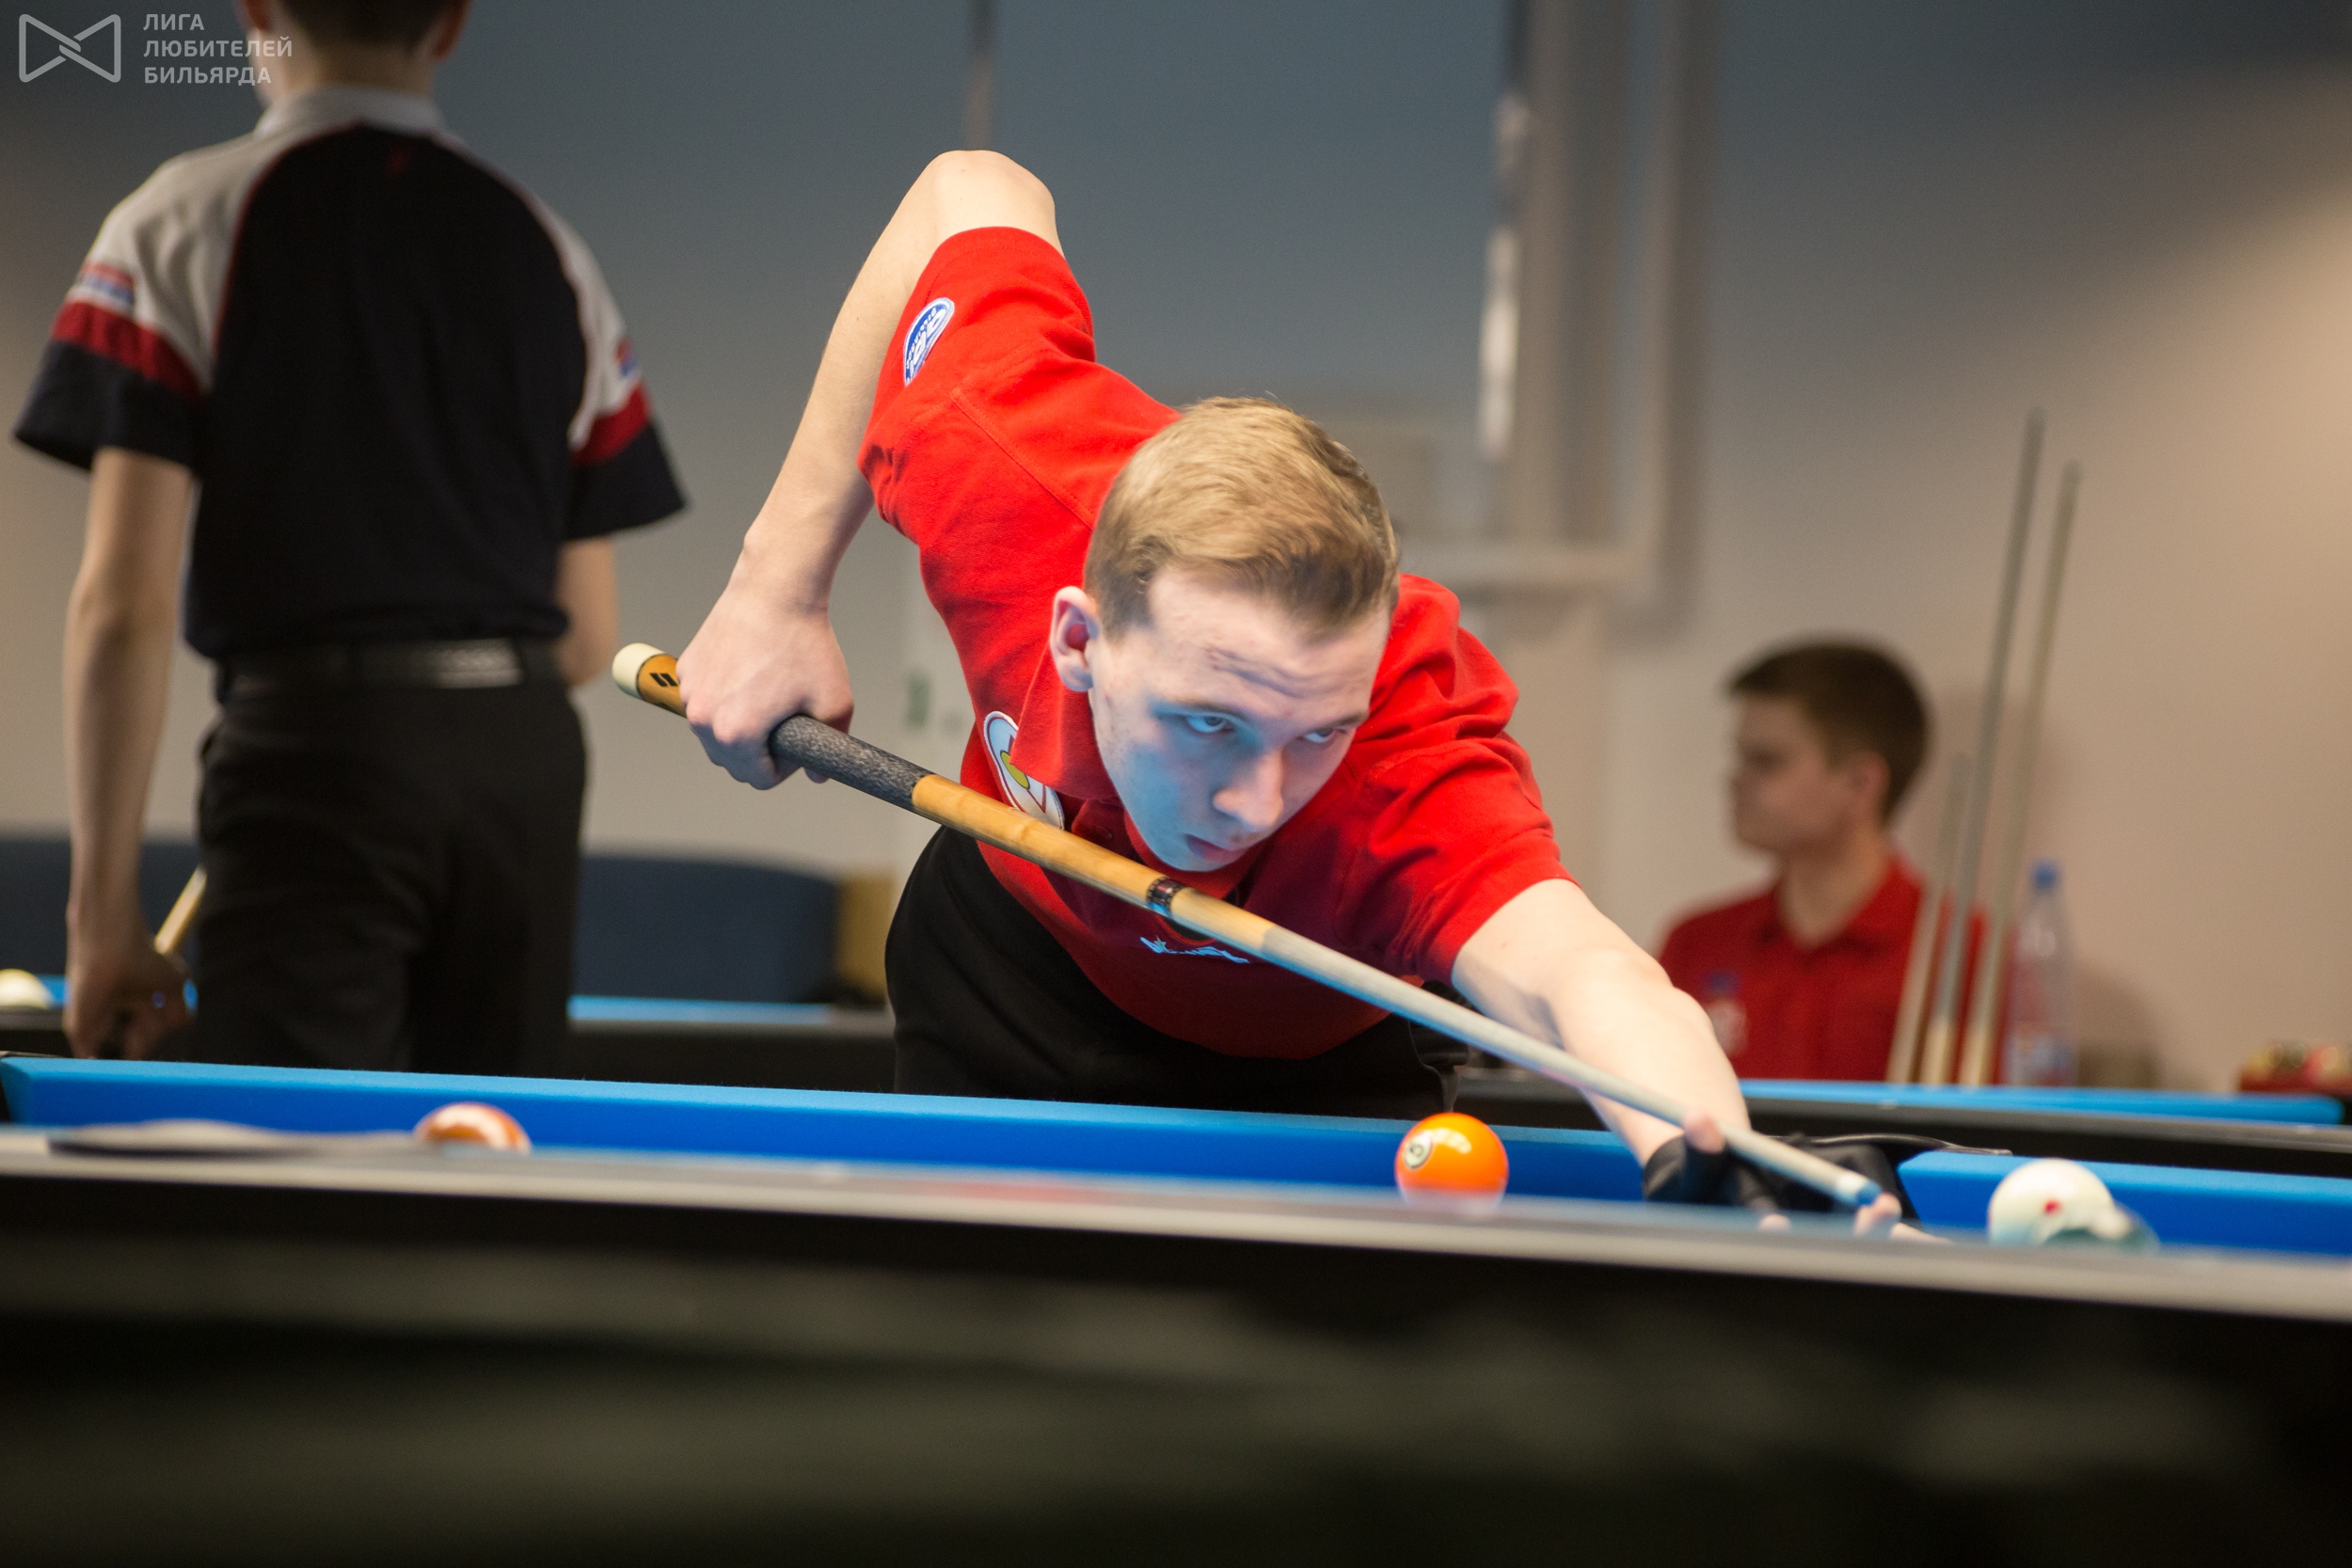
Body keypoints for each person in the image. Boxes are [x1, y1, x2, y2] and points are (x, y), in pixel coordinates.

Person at [676, 151, 1908, 1227]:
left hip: (1318, 1057)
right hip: (1016, 973)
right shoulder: (1010, 475)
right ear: (1079, 639)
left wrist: (1711, 1156)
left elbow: (1581, 973)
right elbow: (967, 187)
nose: (1256, 798)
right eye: (1207, 721)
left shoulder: (1405, 764)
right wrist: (773, 590)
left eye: (1315, 731)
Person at [12, 0, 684, 1071]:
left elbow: (122, 605)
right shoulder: (551, 249)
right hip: (521, 764)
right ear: (451, 25)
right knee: (495, 1139)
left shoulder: (177, 220)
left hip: (312, 755)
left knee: (292, 1155)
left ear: (258, 11)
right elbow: (584, 637)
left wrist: (100, 920)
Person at [1657, 641, 1942, 1081]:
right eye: (1741, 757)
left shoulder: (1961, 956)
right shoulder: (1696, 943)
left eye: (1766, 761)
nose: (1735, 779)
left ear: (1859, 784)